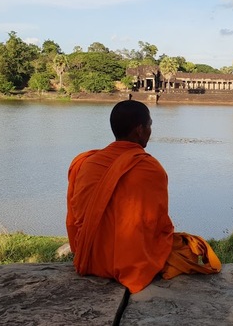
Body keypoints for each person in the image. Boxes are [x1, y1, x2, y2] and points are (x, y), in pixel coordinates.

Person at [66, 100, 173, 293]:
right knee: (189, 247)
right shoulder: (149, 168)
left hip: (89, 258)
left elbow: (73, 220)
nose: (150, 131)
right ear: (139, 130)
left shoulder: (85, 163)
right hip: (131, 264)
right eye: (149, 125)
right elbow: (157, 224)